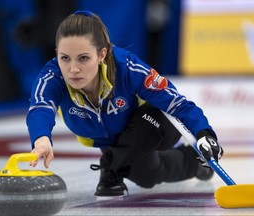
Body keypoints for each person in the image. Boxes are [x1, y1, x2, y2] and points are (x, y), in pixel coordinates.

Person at [27, 10, 224, 198]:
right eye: (65, 58)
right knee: (147, 176)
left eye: (84, 58)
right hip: (113, 141)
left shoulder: (127, 67)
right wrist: (41, 139)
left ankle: (111, 165)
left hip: (156, 123)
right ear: (57, 54)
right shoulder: (52, 77)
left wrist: (204, 134)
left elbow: (177, 103)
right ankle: (194, 162)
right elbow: (40, 108)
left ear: (102, 55)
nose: (73, 69)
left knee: (141, 131)